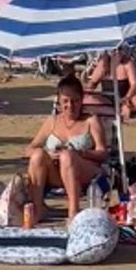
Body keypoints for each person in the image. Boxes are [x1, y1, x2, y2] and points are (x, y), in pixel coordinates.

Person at [24, 76, 109, 222]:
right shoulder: (52, 122)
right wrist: (49, 155)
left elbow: (103, 153)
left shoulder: (91, 121)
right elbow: (29, 149)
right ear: (59, 101)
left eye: (75, 100)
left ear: (82, 100)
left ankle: (73, 211)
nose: (70, 105)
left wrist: (81, 153)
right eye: (65, 101)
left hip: (85, 173)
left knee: (67, 156)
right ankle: (37, 209)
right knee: (38, 155)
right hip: (57, 174)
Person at [84, 48, 136, 118]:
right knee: (88, 99)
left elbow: (134, 84)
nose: (117, 53)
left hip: (125, 96)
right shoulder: (103, 63)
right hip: (107, 98)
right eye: (114, 51)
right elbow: (92, 83)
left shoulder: (127, 63)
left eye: (119, 50)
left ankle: (126, 110)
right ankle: (118, 111)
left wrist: (127, 98)